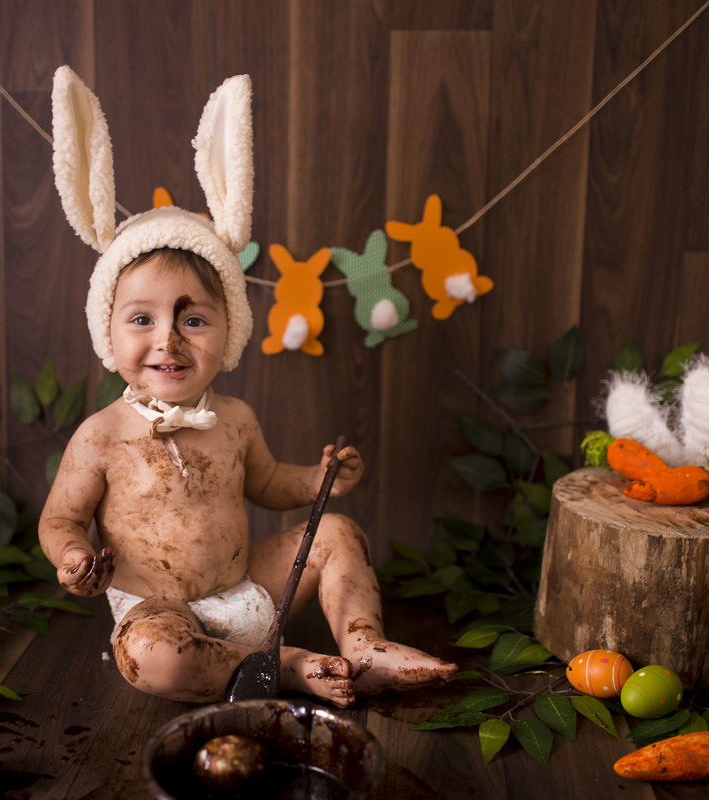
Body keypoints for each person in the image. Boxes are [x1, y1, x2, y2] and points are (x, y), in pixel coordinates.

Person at [39, 69, 457, 705]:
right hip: (158, 611)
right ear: (108, 330)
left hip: (248, 590)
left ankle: (364, 644)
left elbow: (266, 484)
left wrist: (316, 480)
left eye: (194, 320)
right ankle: (289, 665)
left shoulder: (235, 417)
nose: (168, 341)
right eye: (142, 319)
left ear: (228, 332)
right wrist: (73, 558)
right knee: (150, 658)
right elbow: (61, 518)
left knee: (338, 532)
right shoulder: (100, 436)